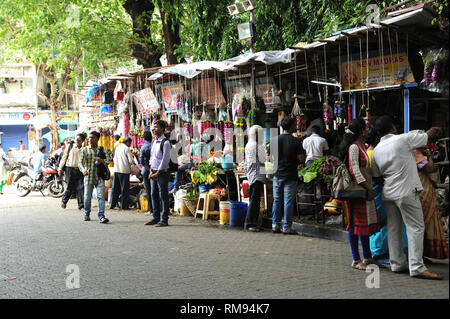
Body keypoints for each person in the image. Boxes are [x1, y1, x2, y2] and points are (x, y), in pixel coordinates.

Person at [371, 115, 443, 280]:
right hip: (406, 191)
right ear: (393, 128)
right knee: (416, 227)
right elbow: (429, 135)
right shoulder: (402, 139)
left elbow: (376, 177)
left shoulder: (377, 150)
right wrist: (436, 128)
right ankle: (417, 267)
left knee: (393, 228)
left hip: (388, 193)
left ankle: (397, 263)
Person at [339, 119, 381, 271]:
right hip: (357, 192)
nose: (367, 131)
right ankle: (356, 259)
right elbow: (354, 169)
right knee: (355, 224)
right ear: (361, 131)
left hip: (363, 191)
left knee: (363, 224)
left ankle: (367, 257)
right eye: (365, 129)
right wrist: (368, 187)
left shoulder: (361, 146)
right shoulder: (354, 148)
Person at [366, 128, 408, 263]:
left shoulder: (370, 152)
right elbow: (377, 176)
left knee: (383, 221)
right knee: (381, 222)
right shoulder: (374, 153)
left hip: (380, 190)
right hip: (379, 190)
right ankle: (379, 252)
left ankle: (383, 251)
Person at [412, 135, 449, 261]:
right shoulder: (416, 154)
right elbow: (430, 168)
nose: (427, 144)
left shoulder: (416, 153)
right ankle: (419, 256)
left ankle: (421, 254)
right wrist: (430, 157)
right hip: (422, 192)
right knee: (422, 223)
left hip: (423, 191)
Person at [271, 117, 305, 235]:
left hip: (277, 174)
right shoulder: (296, 141)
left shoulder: (275, 140)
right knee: (288, 202)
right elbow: (301, 159)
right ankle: (286, 227)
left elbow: (272, 157)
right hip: (290, 175)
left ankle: (275, 225)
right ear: (291, 127)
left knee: (277, 200)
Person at [79, 131, 109, 224]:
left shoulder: (102, 149)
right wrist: (83, 170)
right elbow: (80, 162)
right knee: (87, 197)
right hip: (89, 177)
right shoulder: (85, 150)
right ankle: (86, 213)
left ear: (97, 139)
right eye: (90, 138)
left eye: (93, 138)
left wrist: (102, 161)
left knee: (101, 197)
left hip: (100, 177)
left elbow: (108, 160)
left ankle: (101, 216)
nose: (90, 139)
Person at [145, 120, 171, 227]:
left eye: (156, 127)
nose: (154, 129)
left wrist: (157, 173)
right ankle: (155, 217)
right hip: (154, 171)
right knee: (153, 194)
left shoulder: (165, 142)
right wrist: (151, 170)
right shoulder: (154, 141)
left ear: (162, 128)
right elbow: (152, 158)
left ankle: (164, 219)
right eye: (153, 127)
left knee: (163, 195)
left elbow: (165, 160)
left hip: (162, 172)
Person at [302, 125, 329, 213]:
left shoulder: (306, 140)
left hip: (309, 163)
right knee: (322, 185)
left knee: (309, 186)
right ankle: (324, 207)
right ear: (319, 131)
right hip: (320, 163)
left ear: (311, 131)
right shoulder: (323, 140)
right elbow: (326, 152)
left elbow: (304, 151)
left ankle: (312, 209)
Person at [244, 125, 267, 232]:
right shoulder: (256, 145)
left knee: (254, 200)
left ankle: (253, 223)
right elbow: (262, 159)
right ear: (256, 134)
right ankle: (250, 224)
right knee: (254, 201)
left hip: (252, 175)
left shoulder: (249, 145)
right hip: (256, 175)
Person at [59, 133, 86, 210]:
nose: (77, 141)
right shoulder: (69, 146)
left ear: (82, 141)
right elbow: (64, 158)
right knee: (69, 187)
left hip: (80, 170)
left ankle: (81, 205)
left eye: (79, 140)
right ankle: (64, 201)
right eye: (76, 139)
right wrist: (60, 168)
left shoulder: (84, 149)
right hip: (70, 169)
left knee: (80, 187)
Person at [110, 137, 134, 211]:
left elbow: (113, 158)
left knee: (115, 188)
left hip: (117, 170)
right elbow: (131, 160)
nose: (130, 144)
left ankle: (112, 204)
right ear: (128, 142)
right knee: (124, 189)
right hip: (124, 171)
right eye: (130, 143)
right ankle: (124, 206)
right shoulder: (126, 149)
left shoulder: (117, 148)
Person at [139, 130, 153, 213]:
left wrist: (148, 169)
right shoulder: (154, 145)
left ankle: (151, 209)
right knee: (155, 189)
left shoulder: (143, 147)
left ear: (144, 138)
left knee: (149, 190)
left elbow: (142, 162)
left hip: (146, 171)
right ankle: (157, 208)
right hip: (155, 170)